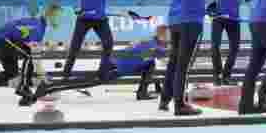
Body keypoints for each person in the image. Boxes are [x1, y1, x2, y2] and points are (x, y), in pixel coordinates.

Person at [29, 25, 168, 103]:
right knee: (82, 83)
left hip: (116, 64)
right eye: (167, 36)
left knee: (150, 65)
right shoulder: (155, 46)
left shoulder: (149, 41)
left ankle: (142, 92)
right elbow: (171, 60)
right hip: (114, 68)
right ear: (161, 36)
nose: (169, 38)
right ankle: (48, 86)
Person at [0, 2, 62, 104]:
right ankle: (24, 88)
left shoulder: (38, 24)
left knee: (11, 72)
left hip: (1, 38)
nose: (58, 20)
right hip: (3, 39)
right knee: (30, 57)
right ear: (50, 16)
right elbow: (34, 56)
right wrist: (45, 78)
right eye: (57, 16)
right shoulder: (38, 28)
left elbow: (30, 45)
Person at [161, 0, 215, 116]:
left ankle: (165, 99)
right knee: (183, 64)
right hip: (191, 19)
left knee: (174, 61)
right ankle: (180, 104)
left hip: (175, 18)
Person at [63, 0, 117, 77]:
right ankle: (66, 72)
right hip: (84, 19)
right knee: (75, 47)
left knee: (109, 44)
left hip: (101, 20)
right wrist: (75, 7)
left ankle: (102, 71)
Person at [207, 0, 252, 86]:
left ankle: (226, 76)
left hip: (234, 20)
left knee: (235, 48)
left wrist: (253, 14)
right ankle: (217, 75)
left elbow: (248, 1)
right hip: (219, 18)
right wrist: (212, 3)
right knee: (215, 45)